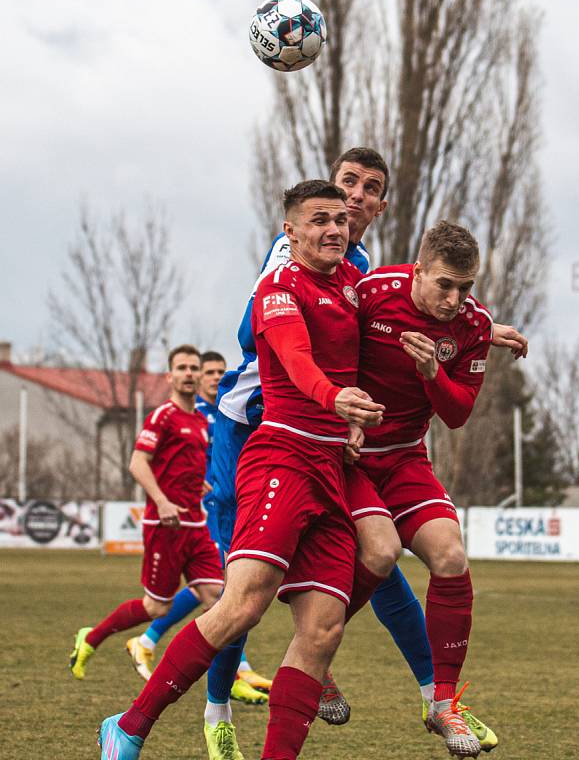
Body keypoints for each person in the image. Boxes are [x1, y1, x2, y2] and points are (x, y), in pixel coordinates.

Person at [205, 147, 525, 756]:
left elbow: (437, 319)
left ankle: (437, 698)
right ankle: (219, 708)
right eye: (346, 182)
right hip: (255, 428)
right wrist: (327, 392)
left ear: (380, 205)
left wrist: (478, 326)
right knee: (243, 592)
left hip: (361, 443)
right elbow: (258, 332)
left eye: (368, 188)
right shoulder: (306, 257)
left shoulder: (360, 269)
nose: (353, 196)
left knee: (405, 564)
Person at [97, 180, 385, 760]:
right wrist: (336, 401)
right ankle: (128, 728)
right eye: (319, 219)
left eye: (340, 219)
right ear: (291, 233)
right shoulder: (279, 287)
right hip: (280, 456)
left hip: (331, 467)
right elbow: (297, 361)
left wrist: (476, 328)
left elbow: (406, 314)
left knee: (323, 630)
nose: (334, 227)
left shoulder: (356, 285)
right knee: (242, 604)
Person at [345, 220, 497, 758]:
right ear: (416, 271)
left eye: (466, 287)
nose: (456, 299)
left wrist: (433, 371)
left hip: (406, 457)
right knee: (380, 554)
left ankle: (445, 704)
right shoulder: (371, 294)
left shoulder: (473, 326)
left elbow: (457, 415)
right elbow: (326, 348)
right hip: (351, 459)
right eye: (444, 285)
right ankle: (310, 657)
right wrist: (343, 416)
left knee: (451, 556)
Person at [69, 345, 224, 680]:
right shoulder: (163, 416)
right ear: (170, 376)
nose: (189, 373)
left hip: (195, 524)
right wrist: (162, 500)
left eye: (193, 368)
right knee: (158, 607)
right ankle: (91, 638)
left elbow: (181, 467)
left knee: (219, 599)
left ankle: (206, 673)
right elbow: (137, 463)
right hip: (164, 525)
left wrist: (199, 487)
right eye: (182, 367)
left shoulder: (199, 421)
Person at [125, 351, 272, 706]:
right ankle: (152, 641)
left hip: (218, 510)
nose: (210, 378)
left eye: (218, 372)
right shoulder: (198, 415)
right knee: (222, 589)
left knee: (219, 589)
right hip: (202, 514)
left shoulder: (218, 414)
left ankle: (233, 666)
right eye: (207, 372)